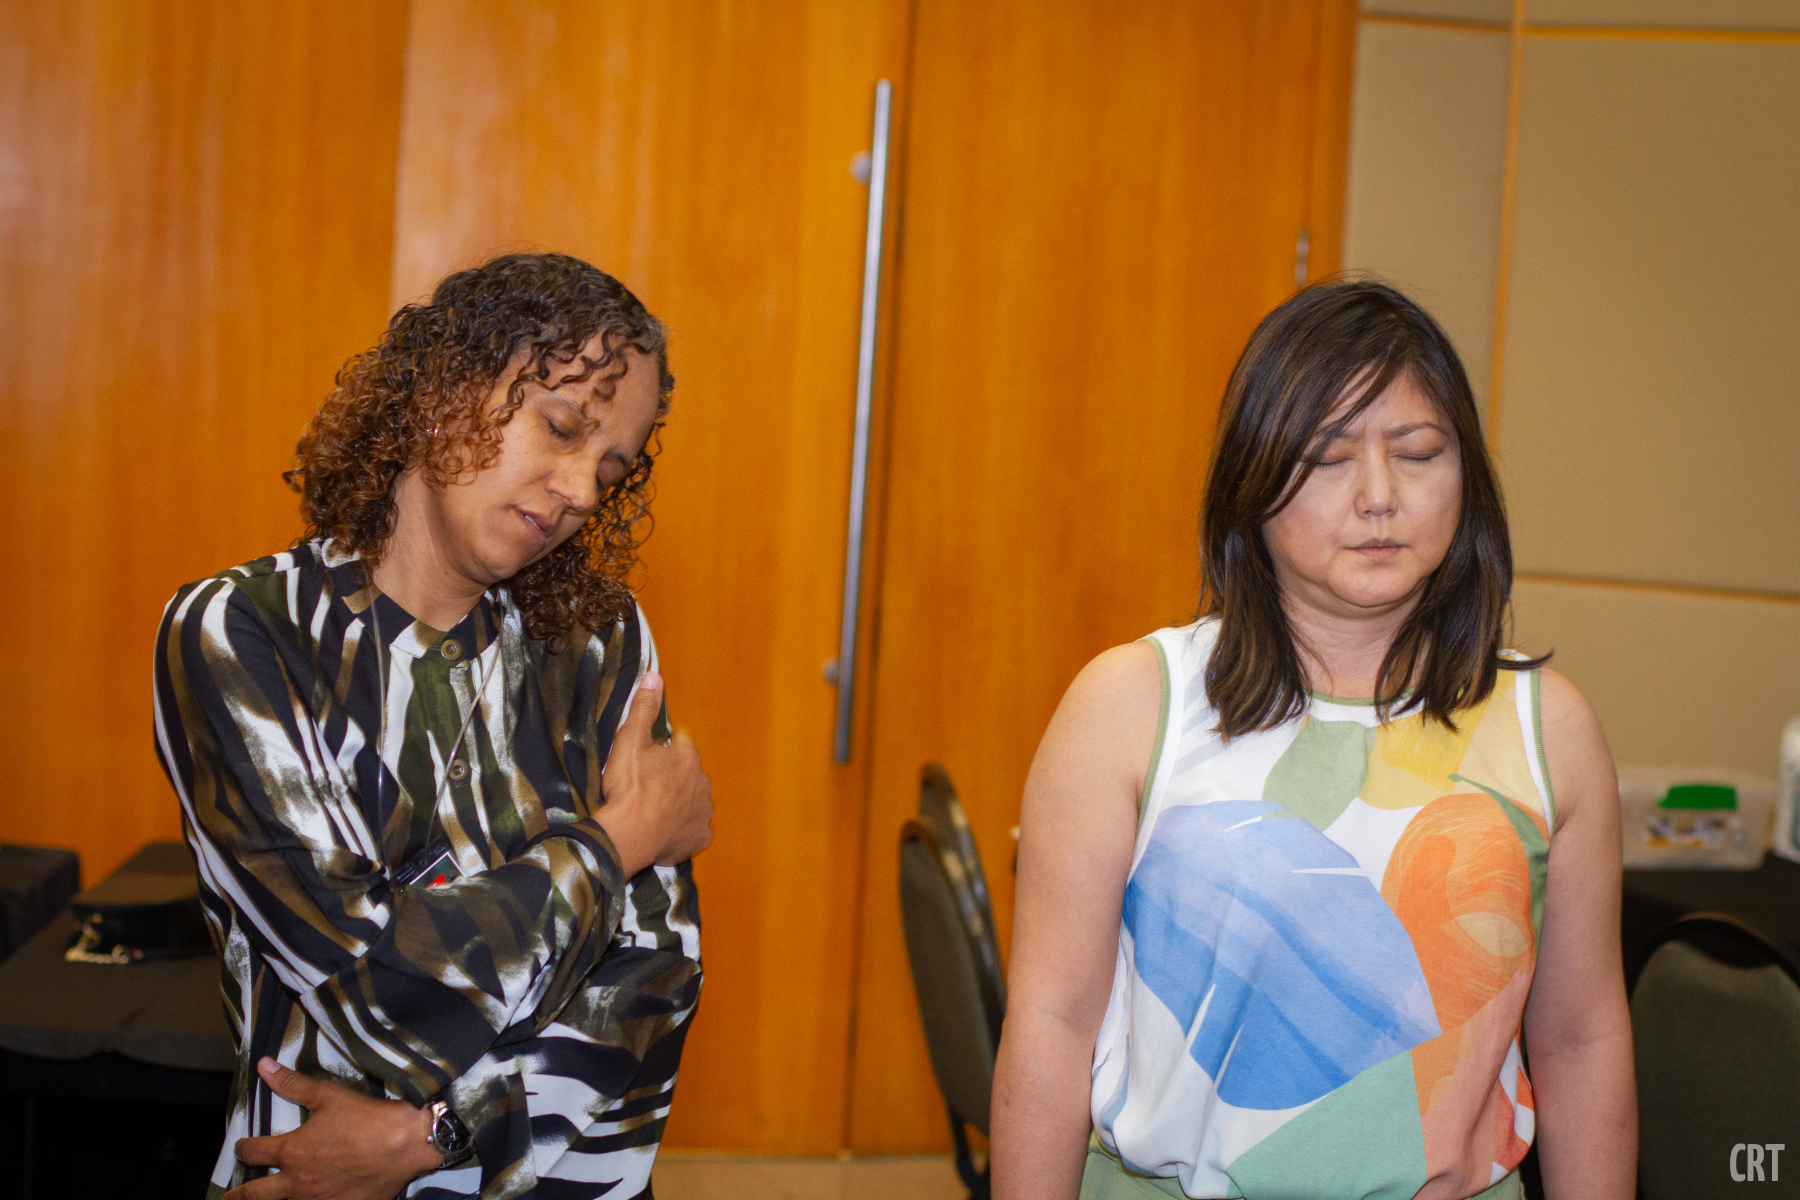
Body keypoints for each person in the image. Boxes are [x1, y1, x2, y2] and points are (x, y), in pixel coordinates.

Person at [991, 281, 1635, 1200]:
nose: (1379, 497)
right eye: (1328, 458)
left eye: (1417, 453)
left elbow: (1579, 1039)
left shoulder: (1549, 725)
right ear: (1251, 484)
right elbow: (1051, 1027)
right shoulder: (1132, 704)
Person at [153, 253, 714, 1200]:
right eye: (561, 427)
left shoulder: (598, 639)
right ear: (443, 389)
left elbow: (654, 968)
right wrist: (621, 839)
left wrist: (436, 1136)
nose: (583, 489)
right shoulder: (245, 634)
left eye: (610, 467)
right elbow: (377, 988)